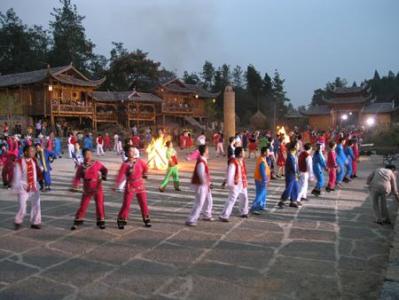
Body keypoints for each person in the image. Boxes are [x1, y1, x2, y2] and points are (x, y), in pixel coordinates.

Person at [70, 148, 108, 230]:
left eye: (90, 154)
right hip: (87, 188)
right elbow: (77, 178)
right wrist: (75, 185)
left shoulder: (96, 163)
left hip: (97, 187)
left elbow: (104, 169)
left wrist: (104, 176)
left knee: (99, 205)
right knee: (83, 205)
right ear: (83, 156)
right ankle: (77, 221)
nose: (89, 156)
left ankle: (101, 221)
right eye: (87, 154)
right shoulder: (81, 167)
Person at [115, 146, 151, 229]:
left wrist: (145, 175)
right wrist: (116, 185)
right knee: (126, 204)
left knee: (143, 203)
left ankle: (146, 219)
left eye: (133, 151)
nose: (132, 152)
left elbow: (146, 168)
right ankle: (121, 219)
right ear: (127, 153)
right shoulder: (125, 164)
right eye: (130, 151)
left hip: (140, 185)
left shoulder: (139, 161)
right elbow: (120, 175)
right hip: (130, 185)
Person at [12, 145, 42, 230]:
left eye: (34, 151)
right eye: (31, 151)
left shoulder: (35, 160)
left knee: (37, 205)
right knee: (22, 207)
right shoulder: (19, 162)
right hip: (23, 187)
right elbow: (17, 176)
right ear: (25, 152)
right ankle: (18, 220)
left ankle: (35, 222)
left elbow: (38, 170)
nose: (34, 152)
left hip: (34, 187)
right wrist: (16, 188)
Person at [186, 145, 214, 226]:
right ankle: (191, 219)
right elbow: (201, 174)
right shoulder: (201, 162)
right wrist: (206, 183)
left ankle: (207, 215)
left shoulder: (203, 160)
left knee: (209, 200)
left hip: (206, 184)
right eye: (207, 150)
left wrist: (209, 183)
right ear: (204, 151)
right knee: (199, 203)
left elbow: (205, 173)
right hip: (201, 185)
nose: (208, 151)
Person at [219, 147, 249, 221]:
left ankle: (244, 212)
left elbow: (244, 172)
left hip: (242, 183)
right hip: (235, 184)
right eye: (243, 152)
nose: (244, 153)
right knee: (232, 199)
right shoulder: (233, 162)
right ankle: (224, 215)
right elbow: (230, 174)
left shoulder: (242, 161)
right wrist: (230, 184)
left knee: (244, 197)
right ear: (239, 153)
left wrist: (245, 180)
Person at [278, 141, 299, 208]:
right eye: (298, 145)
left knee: (295, 187)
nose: (299, 146)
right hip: (290, 175)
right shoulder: (290, 155)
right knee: (289, 189)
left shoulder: (294, 154)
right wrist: (296, 174)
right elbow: (292, 166)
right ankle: (282, 201)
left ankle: (293, 201)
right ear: (295, 147)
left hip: (294, 174)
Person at [250, 146, 270, 214]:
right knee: (260, 194)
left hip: (261, 179)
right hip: (260, 179)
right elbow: (262, 171)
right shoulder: (262, 160)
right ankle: (254, 207)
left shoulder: (263, 159)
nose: (269, 153)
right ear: (264, 152)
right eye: (268, 151)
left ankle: (261, 205)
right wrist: (265, 180)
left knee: (263, 193)